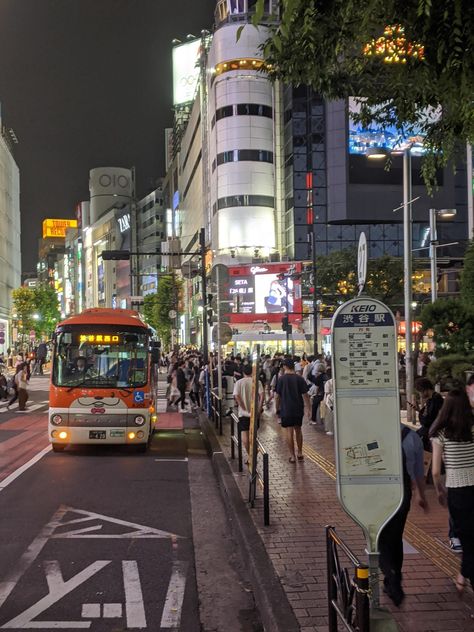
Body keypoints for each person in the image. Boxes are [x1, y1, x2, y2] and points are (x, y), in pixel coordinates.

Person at [430, 389, 474, 596]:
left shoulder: (441, 433)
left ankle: (464, 575)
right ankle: (462, 575)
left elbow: (436, 471)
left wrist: (439, 492)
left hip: (458, 491)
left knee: (466, 538)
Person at [379, 424, 428, 606]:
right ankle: (393, 577)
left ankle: (391, 575)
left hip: (379, 493)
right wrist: (421, 496)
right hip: (403, 493)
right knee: (396, 537)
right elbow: (419, 474)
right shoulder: (412, 437)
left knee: (379, 538)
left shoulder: (376, 434)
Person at [275, 358, 311, 463]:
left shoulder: (281, 379)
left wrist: (276, 409)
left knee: (289, 432)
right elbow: (305, 395)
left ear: (285, 367)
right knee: (298, 430)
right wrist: (309, 408)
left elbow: (277, 396)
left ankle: (292, 456)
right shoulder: (299, 379)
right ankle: (300, 452)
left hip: (286, 409)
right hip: (298, 408)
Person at [233, 364, 264, 456]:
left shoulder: (239, 382)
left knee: (244, 436)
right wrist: (259, 408)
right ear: (253, 372)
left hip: (243, 414)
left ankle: (250, 455)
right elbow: (262, 396)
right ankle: (253, 453)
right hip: (255, 413)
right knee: (253, 435)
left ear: (243, 372)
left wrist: (242, 406)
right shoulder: (257, 382)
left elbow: (236, 396)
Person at [414, 378, 444, 451]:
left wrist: (421, 413)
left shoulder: (435, 400)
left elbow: (428, 420)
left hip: (433, 433)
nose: (420, 394)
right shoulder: (432, 400)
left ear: (424, 389)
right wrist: (419, 410)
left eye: (420, 392)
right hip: (430, 431)